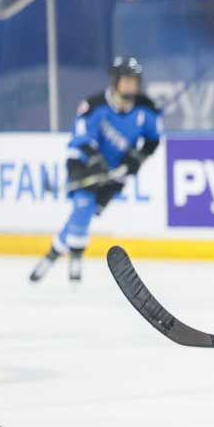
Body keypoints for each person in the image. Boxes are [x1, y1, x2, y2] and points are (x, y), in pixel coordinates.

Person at [29, 57, 162, 285]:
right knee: (84, 204)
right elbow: (81, 139)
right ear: (116, 81)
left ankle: (53, 251)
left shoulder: (146, 109)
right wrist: (95, 159)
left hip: (116, 171)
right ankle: (75, 259)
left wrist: (135, 161)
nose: (131, 86)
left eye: (134, 81)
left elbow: (152, 141)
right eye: (126, 80)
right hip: (84, 162)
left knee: (86, 213)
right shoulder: (94, 105)